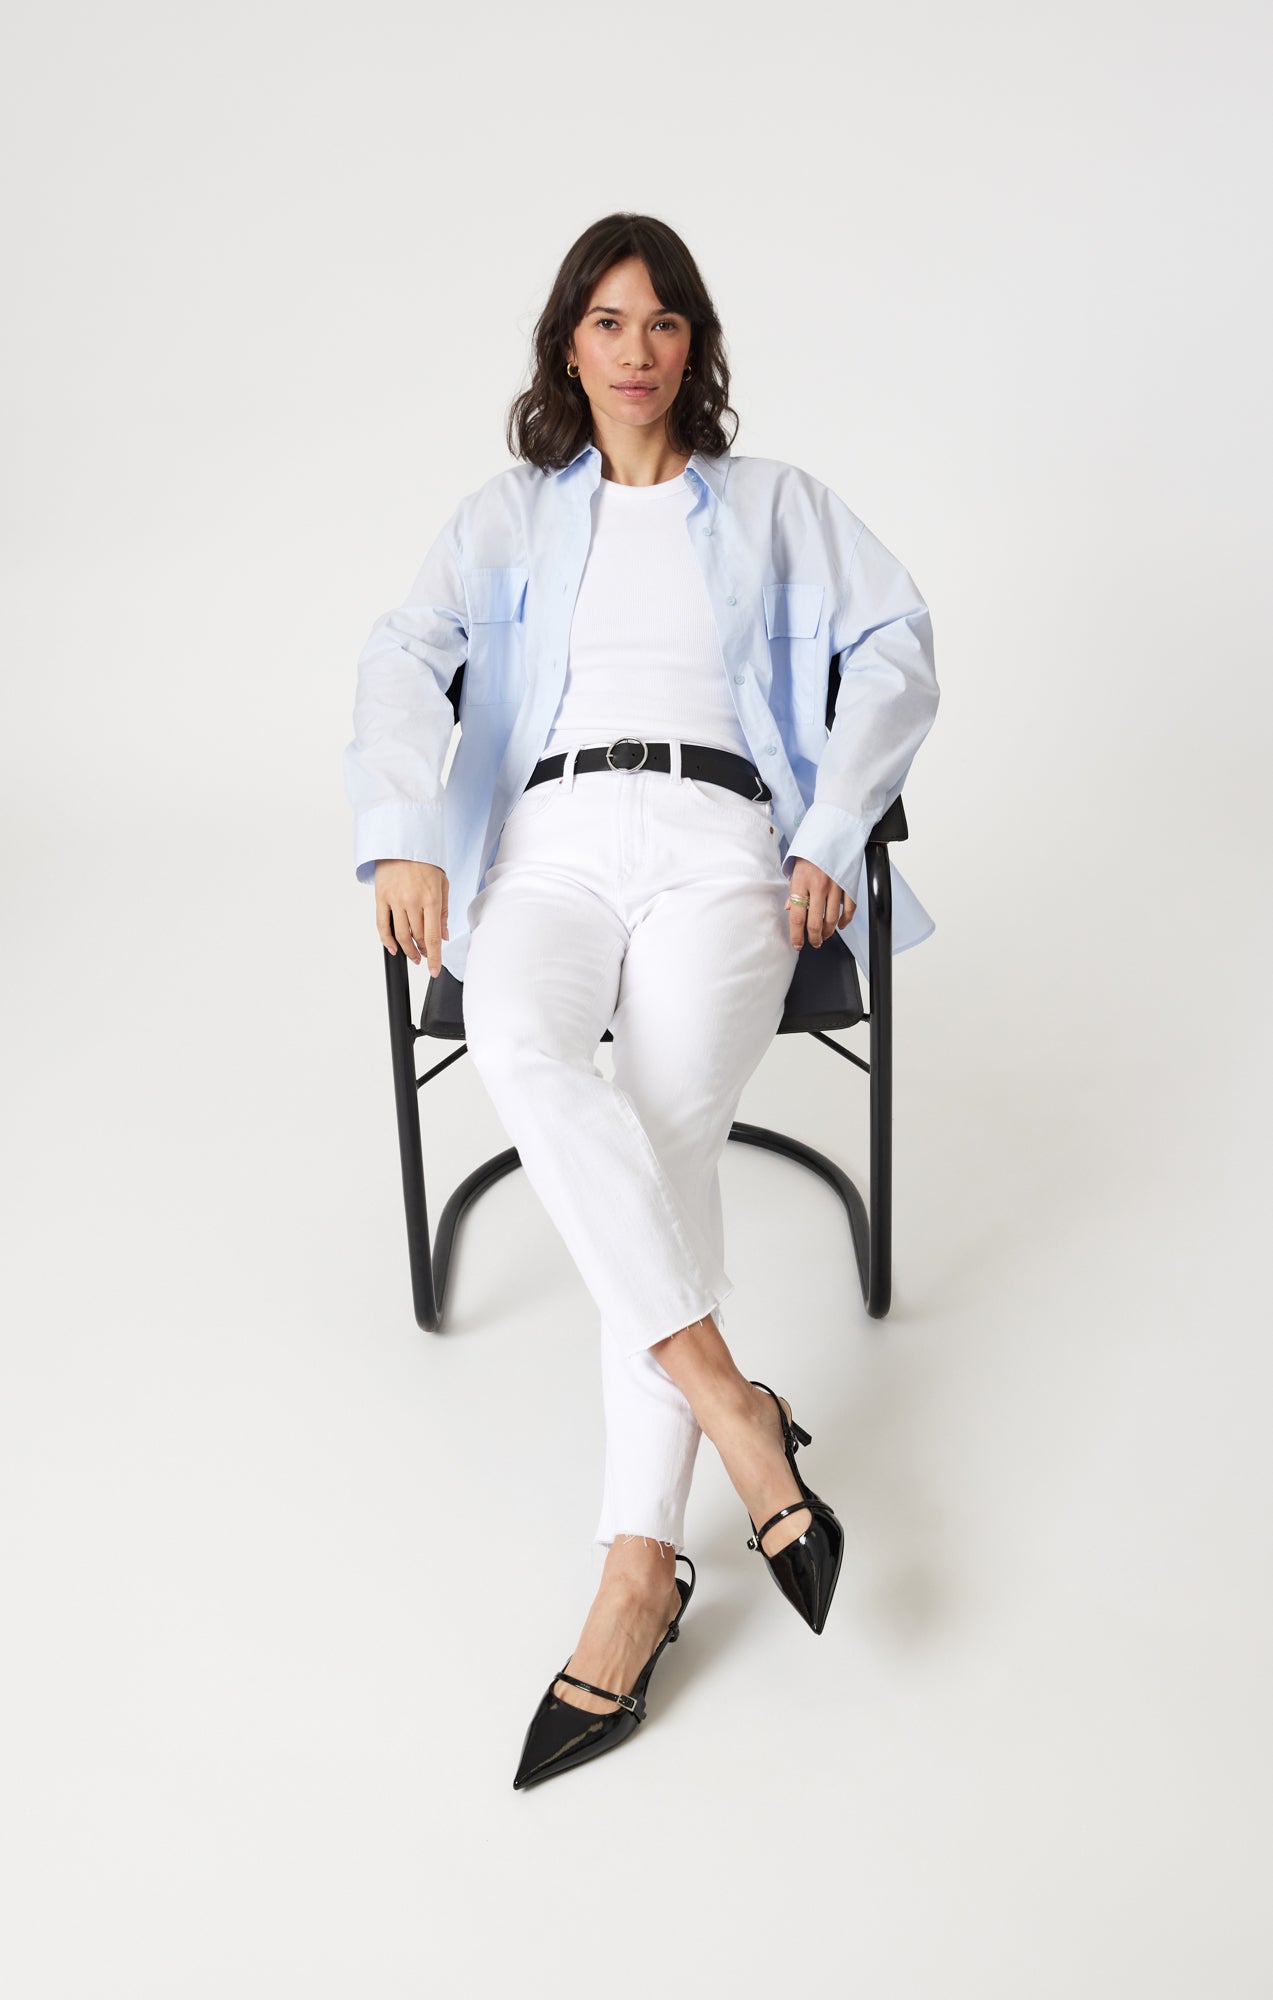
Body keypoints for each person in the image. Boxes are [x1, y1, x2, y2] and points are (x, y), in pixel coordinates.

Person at [344, 213, 940, 1789]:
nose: (635, 348)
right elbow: (401, 658)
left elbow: (899, 644)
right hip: (540, 847)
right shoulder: (503, 518)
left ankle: (633, 1572)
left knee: (665, 1134)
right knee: (519, 1040)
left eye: (663, 321)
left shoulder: (778, 505)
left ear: (694, 347)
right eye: (607, 321)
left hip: (721, 843)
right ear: (568, 344)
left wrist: (828, 833)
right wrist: (403, 830)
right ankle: (735, 1414)